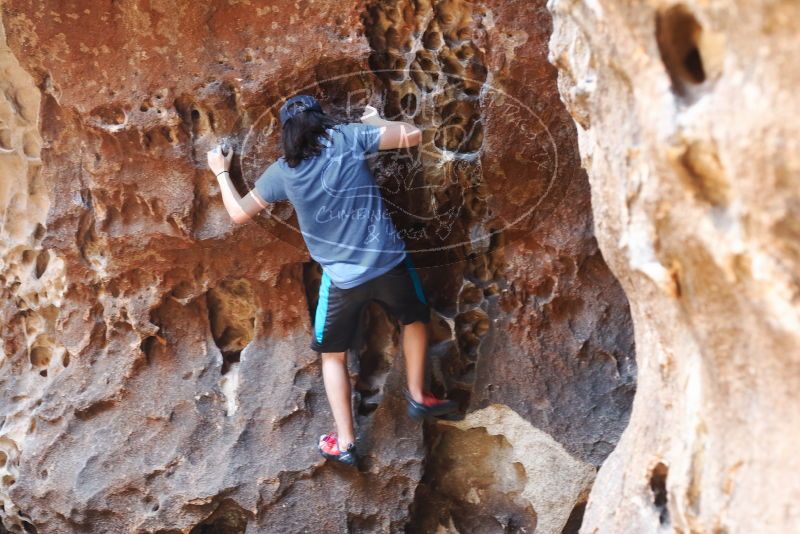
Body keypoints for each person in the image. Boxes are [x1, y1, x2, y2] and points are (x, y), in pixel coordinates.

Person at [206, 94, 457, 468]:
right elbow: (412, 135)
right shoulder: (347, 138)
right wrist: (376, 123)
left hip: (342, 280)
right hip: (389, 263)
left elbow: (239, 213)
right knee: (414, 319)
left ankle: (345, 442)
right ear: (321, 118)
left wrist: (221, 172)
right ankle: (419, 395)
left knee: (332, 357)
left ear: (287, 133)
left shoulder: (283, 172)